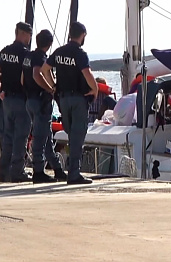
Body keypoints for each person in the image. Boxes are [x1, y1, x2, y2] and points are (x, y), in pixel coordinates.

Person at [42, 22, 98, 185]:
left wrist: (52, 85)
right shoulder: (80, 53)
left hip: (63, 99)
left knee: (70, 133)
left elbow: (45, 69)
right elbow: (87, 74)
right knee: (77, 136)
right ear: (82, 35)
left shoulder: (59, 52)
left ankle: (72, 171)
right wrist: (95, 89)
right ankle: (74, 173)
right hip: (78, 99)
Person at [22, 30, 68, 183]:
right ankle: (39, 171)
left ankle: (57, 169)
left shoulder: (28, 56)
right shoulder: (40, 58)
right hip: (41, 102)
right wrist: (50, 88)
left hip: (30, 100)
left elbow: (23, 79)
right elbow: (37, 74)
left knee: (46, 137)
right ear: (49, 44)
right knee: (40, 138)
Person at [0, 22, 33, 183]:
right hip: (21, 98)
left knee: (7, 136)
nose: (29, 39)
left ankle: (4, 170)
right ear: (23, 34)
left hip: (6, 99)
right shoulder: (25, 54)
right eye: (29, 35)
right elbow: (26, 76)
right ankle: (18, 171)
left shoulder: (4, 52)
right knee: (21, 136)